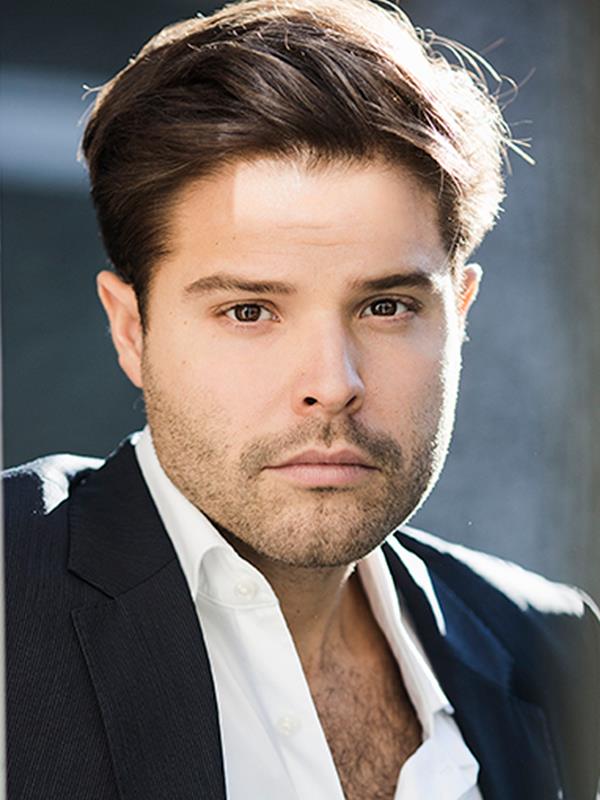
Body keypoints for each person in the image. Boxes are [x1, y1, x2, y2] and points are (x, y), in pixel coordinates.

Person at [5, 0, 599, 798]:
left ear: (458, 317)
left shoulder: (560, 655)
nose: (333, 383)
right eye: (249, 311)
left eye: (386, 306)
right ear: (131, 331)